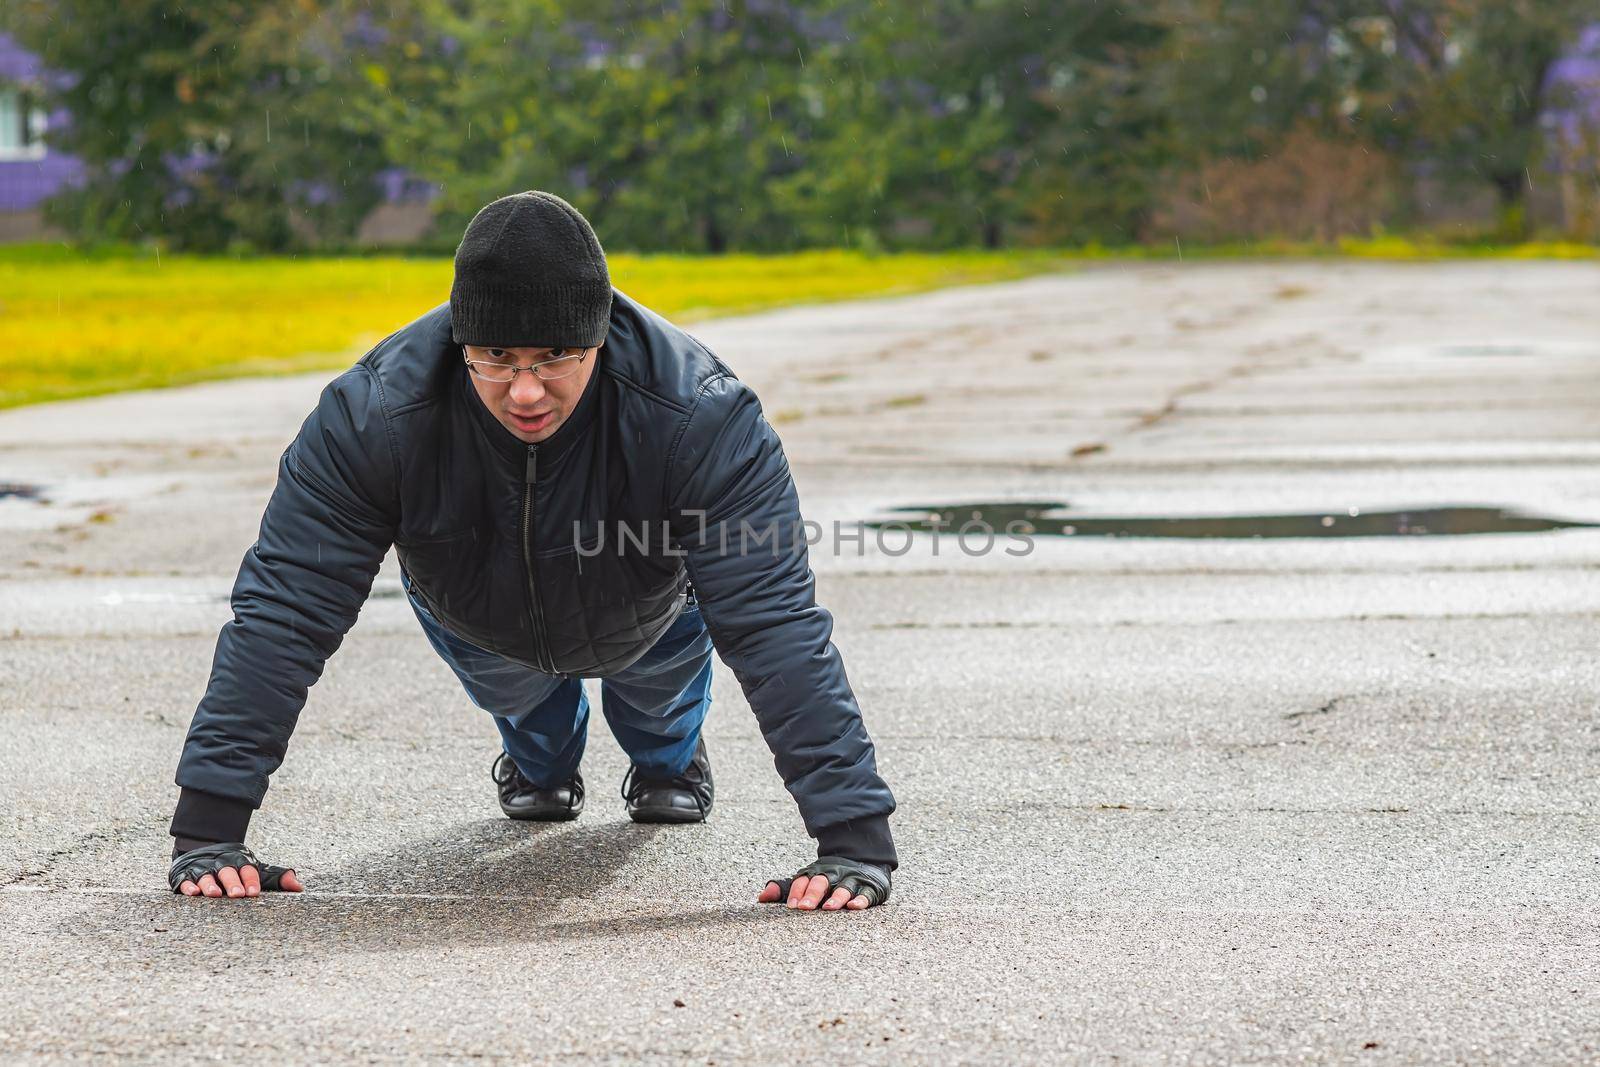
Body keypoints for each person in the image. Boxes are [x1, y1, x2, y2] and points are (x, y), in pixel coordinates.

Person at [164, 190, 897, 913]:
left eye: (555, 356)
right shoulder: (375, 416)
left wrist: (851, 840)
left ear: (598, 336)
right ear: (462, 340)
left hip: (650, 606)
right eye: (495, 356)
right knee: (537, 748)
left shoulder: (699, 415)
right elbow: (286, 612)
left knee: (659, 722)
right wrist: (209, 830)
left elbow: (774, 624)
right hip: (478, 611)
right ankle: (543, 758)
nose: (524, 390)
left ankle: (671, 760)